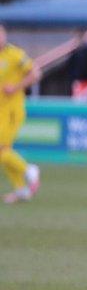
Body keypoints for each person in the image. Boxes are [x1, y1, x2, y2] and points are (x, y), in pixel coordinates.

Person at [0, 23, 41, 204]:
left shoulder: (15, 54)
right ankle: (21, 190)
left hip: (12, 110)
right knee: (4, 152)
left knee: (1, 150)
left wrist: (15, 87)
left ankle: (28, 170)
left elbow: (36, 74)